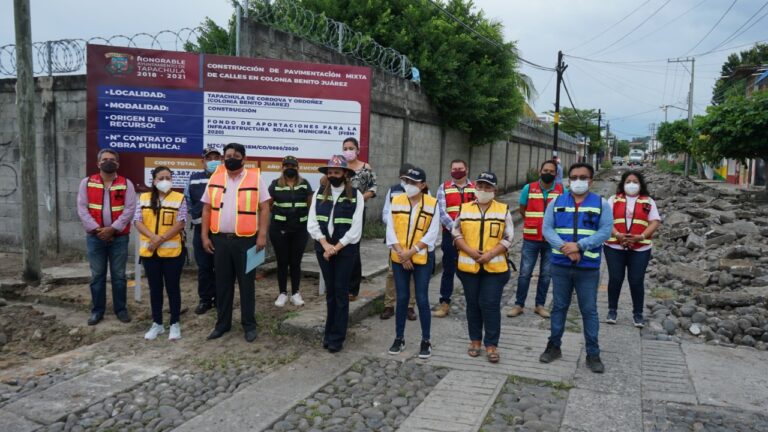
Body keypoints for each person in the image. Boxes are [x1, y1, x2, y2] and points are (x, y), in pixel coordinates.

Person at [539, 163, 612, 374]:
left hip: (588, 267)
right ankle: (554, 346)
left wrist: (580, 246)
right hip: (561, 265)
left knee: (589, 311)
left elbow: (605, 231)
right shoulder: (556, 202)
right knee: (559, 307)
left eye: (583, 177)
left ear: (591, 180)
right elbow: (547, 229)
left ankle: (593, 353)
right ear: (568, 179)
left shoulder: (601, 204)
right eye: (574, 177)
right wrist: (566, 248)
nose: (578, 181)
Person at [201, 143, 271, 342]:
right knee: (222, 284)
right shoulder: (215, 177)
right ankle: (222, 324)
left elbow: (265, 208)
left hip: (247, 241)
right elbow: (206, 209)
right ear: (224, 158)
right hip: (220, 241)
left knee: (247, 284)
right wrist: (204, 236)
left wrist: (262, 235)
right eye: (228, 155)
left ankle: (249, 325)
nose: (232, 158)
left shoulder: (255, 178)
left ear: (244, 158)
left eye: (236, 155)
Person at [453, 172, 514, 363]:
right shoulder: (464, 209)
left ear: (494, 189)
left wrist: (489, 254)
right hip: (468, 267)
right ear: (474, 187)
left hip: (495, 269)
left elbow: (508, 237)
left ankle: (491, 344)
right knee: (472, 304)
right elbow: (456, 232)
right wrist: (470, 252)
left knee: (490, 304)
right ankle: (475, 341)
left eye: (488, 187)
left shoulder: (503, 210)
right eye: (480, 186)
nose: (483, 190)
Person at [307, 155, 364, 353]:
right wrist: (324, 244)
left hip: (345, 250)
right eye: (330, 172)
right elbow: (312, 222)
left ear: (345, 174)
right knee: (330, 292)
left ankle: (337, 337)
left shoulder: (356, 196)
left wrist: (335, 248)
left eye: (336, 172)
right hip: (323, 249)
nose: (333, 175)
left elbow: (355, 230)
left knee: (341, 292)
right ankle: (328, 332)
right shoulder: (319, 193)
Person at [76, 149, 136, 326]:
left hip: (119, 238)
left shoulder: (126, 184)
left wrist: (113, 229)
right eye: (104, 159)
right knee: (97, 276)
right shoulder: (86, 183)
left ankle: (121, 310)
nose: (108, 162)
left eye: (112, 159)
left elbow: (129, 209)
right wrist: (97, 230)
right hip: (95, 238)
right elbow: (82, 208)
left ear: (117, 164)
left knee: (118, 276)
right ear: (98, 163)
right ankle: (97, 311)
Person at [385, 167, 439, 359]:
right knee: (402, 298)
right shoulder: (396, 201)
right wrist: (402, 253)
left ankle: (426, 340)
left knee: (422, 299)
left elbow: (432, 233)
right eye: (406, 181)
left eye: (413, 182)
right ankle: (399, 338)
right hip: (400, 257)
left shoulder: (432, 203)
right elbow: (390, 229)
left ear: (422, 185)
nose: (408, 185)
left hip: (421, 257)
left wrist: (411, 252)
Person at [134, 167, 187, 340]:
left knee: (173, 288)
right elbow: (137, 221)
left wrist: (161, 238)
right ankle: (157, 324)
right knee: (155, 289)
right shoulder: (143, 198)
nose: (165, 180)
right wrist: (153, 237)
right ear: (154, 180)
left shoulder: (179, 198)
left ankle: (174, 323)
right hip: (150, 254)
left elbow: (180, 223)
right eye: (161, 177)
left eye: (168, 177)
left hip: (172, 253)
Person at [604, 170, 661, 327]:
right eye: (628, 181)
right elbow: (606, 220)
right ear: (622, 184)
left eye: (635, 181)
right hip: (614, 246)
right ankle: (612, 310)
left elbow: (655, 222)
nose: (631, 184)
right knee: (615, 279)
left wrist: (640, 237)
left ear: (641, 184)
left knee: (636, 281)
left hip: (640, 248)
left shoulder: (648, 201)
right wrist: (618, 235)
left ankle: (638, 314)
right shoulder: (613, 200)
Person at [508, 160, 564, 319]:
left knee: (546, 274)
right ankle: (519, 304)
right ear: (540, 172)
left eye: (552, 171)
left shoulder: (561, 190)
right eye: (545, 170)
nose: (548, 173)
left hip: (551, 239)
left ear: (556, 174)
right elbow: (522, 209)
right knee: (525, 273)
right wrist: (533, 222)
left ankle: (540, 305)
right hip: (531, 238)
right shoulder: (529, 188)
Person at [269, 156, 313, 307]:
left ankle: (295, 293)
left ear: (297, 168)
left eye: (292, 166)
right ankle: (282, 293)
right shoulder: (275, 185)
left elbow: (310, 206)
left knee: (295, 262)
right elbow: (268, 206)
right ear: (282, 167)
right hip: (279, 230)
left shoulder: (304, 184)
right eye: (287, 165)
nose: (290, 168)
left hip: (299, 230)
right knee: (282, 262)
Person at [434, 159, 476, 317]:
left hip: (471, 236)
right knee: (448, 269)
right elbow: (441, 212)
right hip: (450, 235)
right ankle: (445, 302)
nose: (457, 171)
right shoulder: (443, 187)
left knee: (470, 269)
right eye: (454, 169)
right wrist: (456, 230)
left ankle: (473, 303)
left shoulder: (475, 188)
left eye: (460, 168)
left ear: (466, 169)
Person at [185, 145, 221, 315]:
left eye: (216, 158)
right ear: (203, 161)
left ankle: (221, 299)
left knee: (221, 268)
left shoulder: (226, 177)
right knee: (204, 267)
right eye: (209, 158)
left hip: (221, 231)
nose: (213, 161)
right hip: (200, 230)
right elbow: (187, 201)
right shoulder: (194, 178)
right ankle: (205, 300)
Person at [380, 163, 417, 320]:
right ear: (401, 177)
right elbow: (386, 213)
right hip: (395, 239)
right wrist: (394, 226)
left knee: (412, 273)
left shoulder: (420, 190)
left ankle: (410, 307)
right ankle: (389, 305)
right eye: (405, 178)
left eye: (411, 179)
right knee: (392, 273)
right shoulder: (393, 190)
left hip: (414, 240)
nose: (408, 182)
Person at [343, 137, 377, 301]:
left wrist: (360, 198)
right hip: (340, 211)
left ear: (357, 150)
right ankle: (339, 284)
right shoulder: (340, 166)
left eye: (351, 148)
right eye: (345, 148)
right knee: (339, 244)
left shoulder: (365, 168)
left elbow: (373, 188)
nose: (348, 151)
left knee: (353, 246)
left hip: (357, 210)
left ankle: (352, 288)